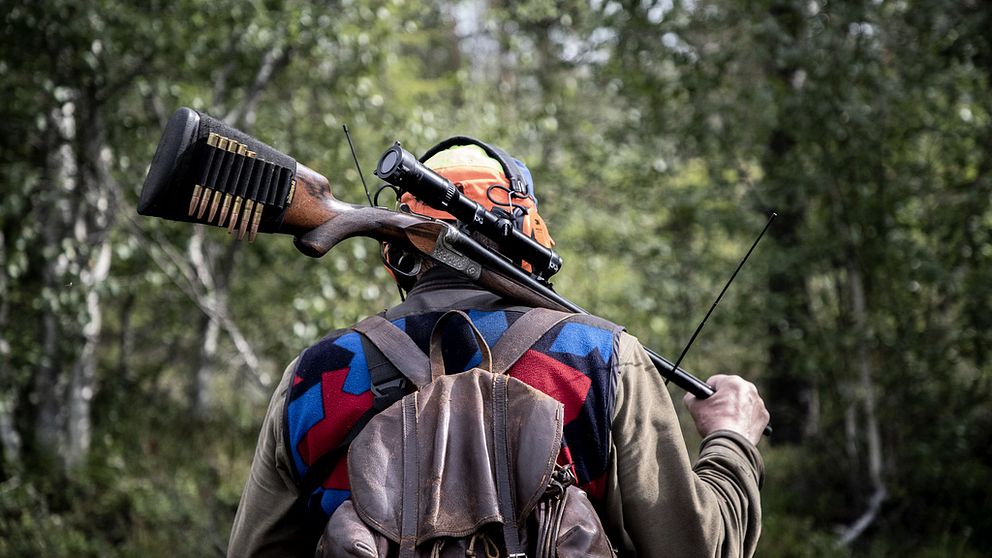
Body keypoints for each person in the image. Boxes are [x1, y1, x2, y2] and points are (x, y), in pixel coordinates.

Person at [227, 139, 769, 557]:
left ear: (397, 250)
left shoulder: (313, 376)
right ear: (527, 229)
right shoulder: (603, 359)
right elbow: (698, 547)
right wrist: (731, 439)